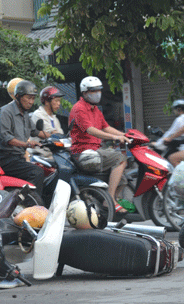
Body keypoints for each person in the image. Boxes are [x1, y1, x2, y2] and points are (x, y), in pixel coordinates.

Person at [69, 76, 131, 214]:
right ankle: (109, 199)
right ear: (84, 93)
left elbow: (106, 127)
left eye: (99, 90)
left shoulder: (95, 109)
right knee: (119, 159)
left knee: (122, 176)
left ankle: (113, 198)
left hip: (96, 150)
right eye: (93, 91)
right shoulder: (79, 109)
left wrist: (125, 135)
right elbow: (91, 130)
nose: (97, 93)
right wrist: (115, 137)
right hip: (84, 153)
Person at [0, 80, 47, 196]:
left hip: (18, 159)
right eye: (28, 98)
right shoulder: (6, 111)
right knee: (36, 172)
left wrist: (55, 137)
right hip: (6, 159)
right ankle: (29, 202)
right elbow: (6, 138)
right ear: (18, 96)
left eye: (33, 98)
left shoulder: (25, 114)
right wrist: (27, 144)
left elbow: (35, 131)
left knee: (48, 169)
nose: (31, 102)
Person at [30, 86, 65, 159]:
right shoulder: (38, 114)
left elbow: (61, 136)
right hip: (40, 155)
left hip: (53, 155)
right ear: (46, 102)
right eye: (56, 101)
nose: (59, 104)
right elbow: (53, 134)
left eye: (59, 101)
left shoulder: (55, 119)